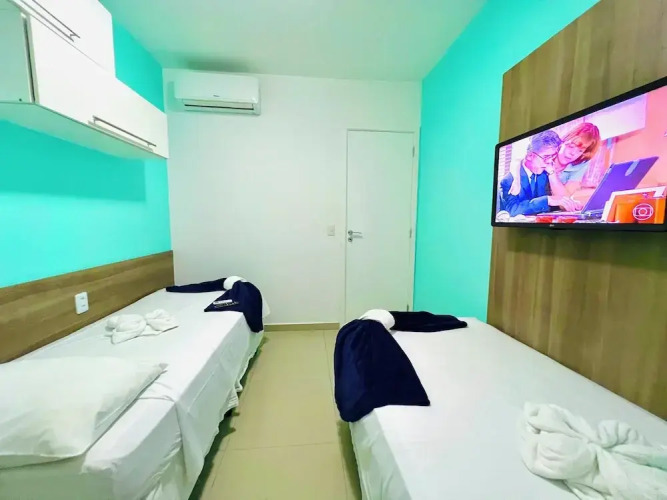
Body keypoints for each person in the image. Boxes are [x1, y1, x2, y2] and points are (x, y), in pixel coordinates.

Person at [499, 130, 579, 216]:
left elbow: (557, 202)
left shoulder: (545, 174)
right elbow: (513, 210)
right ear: (530, 156)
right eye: (546, 157)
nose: (549, 161)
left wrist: (552, 174)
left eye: (552, 156)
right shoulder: (509, 180)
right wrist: (547, 200)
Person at [509, 122, 601, 198]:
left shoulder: (581, 164)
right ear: (563, 141)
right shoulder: (549, 146)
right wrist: (516, 179)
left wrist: (552, 173)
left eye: (580, 151)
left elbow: (564, 200)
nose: (573, 153)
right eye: (571, 146)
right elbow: (519, 159)